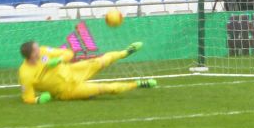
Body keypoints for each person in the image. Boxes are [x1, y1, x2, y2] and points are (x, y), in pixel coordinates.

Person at [18, 38, 156, 103]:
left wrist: (60, 60)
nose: (39, 49)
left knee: (101, 61)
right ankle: (138, 84)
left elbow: (68, 53)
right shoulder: (25, 74)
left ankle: (125, 52)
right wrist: (38, 100)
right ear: (31, 55)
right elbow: (27, 97)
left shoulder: (44, 51)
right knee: (105, 88)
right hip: (67, 90)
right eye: (37, 49)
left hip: (72, 70)